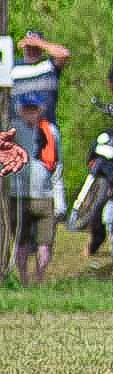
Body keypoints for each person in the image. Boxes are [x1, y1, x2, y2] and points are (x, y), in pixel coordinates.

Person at [4, 93, 65, 284]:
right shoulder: (13, 131)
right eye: (26, 109)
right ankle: (23, 279)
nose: (30, 113)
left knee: (45, 242)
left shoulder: (50, 131)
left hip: (44, 195)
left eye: (34, 109)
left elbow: (57, 165)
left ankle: (40, 277)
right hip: (19, 196)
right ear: (20, 110)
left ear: (40, 110)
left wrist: (60, 199)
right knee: (20, 241)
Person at [9, 29, 71, 123]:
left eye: (34, 47)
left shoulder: (49, 65)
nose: (30, 50)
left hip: (46, 125)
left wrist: (40, 43)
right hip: (18, 126)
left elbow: (64, 54)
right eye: (28, 47)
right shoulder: (13, 67)